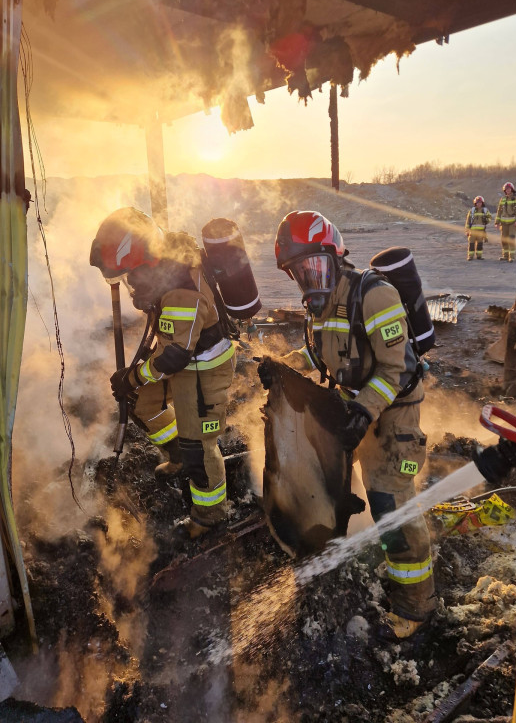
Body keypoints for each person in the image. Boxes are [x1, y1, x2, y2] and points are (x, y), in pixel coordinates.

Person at [258, 210, 436, 639]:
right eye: (299, 273)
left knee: (391, 502)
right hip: (355, 406)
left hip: (393, 414)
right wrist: (280, 368)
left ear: (335, 256)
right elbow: (324, 358)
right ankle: (351, 536)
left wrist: (363, 413)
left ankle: (416, 607)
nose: (309, 280)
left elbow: (395, 370)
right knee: (337, 481)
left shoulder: (373, 296)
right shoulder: (317, 311)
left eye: (314, 266)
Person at [90, 207, 236, 539]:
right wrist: (135, 380)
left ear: (147, 261)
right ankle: (177, 455)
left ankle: (209, 517)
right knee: (141, 403)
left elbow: (173, 358)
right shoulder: (163, 261)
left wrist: (134, 376)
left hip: (204, 368)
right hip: (183, 356)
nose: (130, 284)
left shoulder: (182, 289)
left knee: (200, 445)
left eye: (131, 274)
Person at [495, 181, 516, 261]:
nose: (508, 190)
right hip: (504, 223)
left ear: (512, 189)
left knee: (511, 238)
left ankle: (512, 257)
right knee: (504, 239)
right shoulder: (503, 199)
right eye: (506, 189)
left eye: (509, 189)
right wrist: (497, 222)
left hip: (512, 222)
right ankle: (505, 256)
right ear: (504, 190)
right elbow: (499, 211)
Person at [465, 196, 491, 261]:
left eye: (480, 202)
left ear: (482, 203)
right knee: (471, 244)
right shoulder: (472, 211)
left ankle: (479, 256)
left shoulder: (485, 211)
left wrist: (486, 220)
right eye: (477, 202)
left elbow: (490, 217)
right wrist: (467, 230)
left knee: (480, 244)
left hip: (481, 231)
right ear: (475, 203)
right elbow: (468, 221)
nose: (479, 204)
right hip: (472, 231)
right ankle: (470, 256)